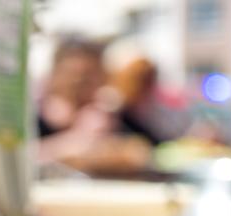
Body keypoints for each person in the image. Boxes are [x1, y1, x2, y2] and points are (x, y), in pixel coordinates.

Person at [36, 38, 154, 174]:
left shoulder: (110, 116)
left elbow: (141, 152)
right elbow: (23, 156)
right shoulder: (34, 118)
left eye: (88, 77)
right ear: (55, 75)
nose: (78, 83)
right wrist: (75, 141)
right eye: (72, 74)